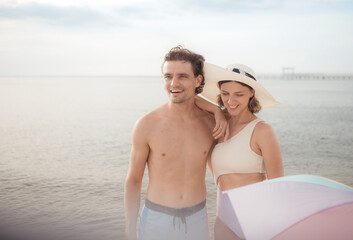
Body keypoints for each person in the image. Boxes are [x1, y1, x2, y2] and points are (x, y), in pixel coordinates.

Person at [124, 47, 227, 240]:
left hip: (197, 219)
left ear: (198, 80)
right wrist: (129, 230)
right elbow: (134, 181)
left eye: (182, 76)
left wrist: (217, 111)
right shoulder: (147, 124)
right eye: (168, 76)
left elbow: (220, 175)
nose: (173, 83)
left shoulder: (211, 124)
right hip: (156, 220)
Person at [198, 62, 284, 240]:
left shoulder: (262, 131)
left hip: (255, 217)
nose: (230, 101)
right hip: (223, 216)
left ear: (252, 92)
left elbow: (278, 185)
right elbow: (187, 98)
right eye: (225, 94)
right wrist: (216, 110)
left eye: (239, 94)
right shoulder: (217, 126)